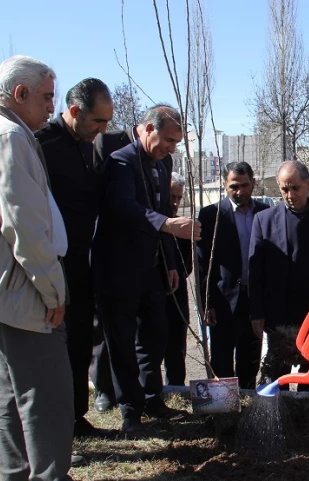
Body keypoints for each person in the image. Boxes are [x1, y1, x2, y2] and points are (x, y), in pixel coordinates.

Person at [0, 55, 103, 481]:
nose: (52, 107)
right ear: (21, 93)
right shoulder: (7, 137)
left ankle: (16, 477)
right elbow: (25, 227)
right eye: (47, 97)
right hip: (22, 288)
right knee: (46, 391)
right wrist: (53, 289)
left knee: (10, 391)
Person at [91, 106, 202, 435]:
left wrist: (169, 262)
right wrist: (168, 225)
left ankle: (154, 399)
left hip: (153, 269)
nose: (172, 148)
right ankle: (130, 410)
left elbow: (160, 209)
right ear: (148, 129)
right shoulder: (121, 162)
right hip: (119, 270)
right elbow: (124, 208)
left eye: (176, 143)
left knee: (155, 337)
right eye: (168, 140)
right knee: (122, 343)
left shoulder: (164, 164)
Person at [35, 78, 114, 438]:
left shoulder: (88, 146)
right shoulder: (42, 145)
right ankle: (54, 426)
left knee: (82, 341)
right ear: (74, 111)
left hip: (83, 262)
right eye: (98, 121)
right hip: (53, 263)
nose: (102, 129)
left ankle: (76, 417)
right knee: (55, 348)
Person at [250, 160, 309, 384]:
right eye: (284, 189)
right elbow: (255, 272)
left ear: (308, 185)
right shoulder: (264, 221)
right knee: (278, 374)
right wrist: (257, 312)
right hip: (280, 313)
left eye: (295, 188)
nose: (290, 195)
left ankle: (308, 405)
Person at [196, 162, 269, 390]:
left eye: (244, 185)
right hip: (223, 302)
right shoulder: (211, 216)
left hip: (254, 302)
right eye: (234, 186)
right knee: (221, 362)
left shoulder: (265, 213)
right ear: (224, 185)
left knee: (250, 361)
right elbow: (202, 264)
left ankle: (247, 403)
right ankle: (225, 408)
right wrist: (206, 302)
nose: (240, 191)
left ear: (253, 183)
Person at [164, 171, 193, 386]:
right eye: (171, 197)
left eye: (178, 198)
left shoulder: (183, 228)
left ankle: (175, 388)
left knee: (176, 350)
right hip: (153, 297)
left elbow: (188, 266)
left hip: (177, 299)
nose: (174, 203)